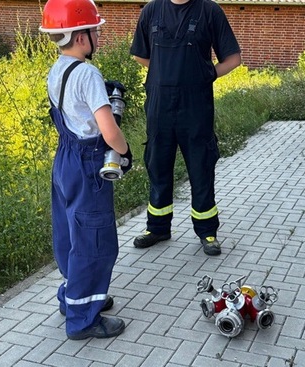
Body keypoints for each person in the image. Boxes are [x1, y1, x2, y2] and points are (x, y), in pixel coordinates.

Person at [40, 0, 133, 340]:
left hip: (65, 159)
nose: (98, 36)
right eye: (95, 30)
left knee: (71, 233)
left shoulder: (57, 69)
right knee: (95, 241)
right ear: (80, 37)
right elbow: (109, 131)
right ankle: (83, 319)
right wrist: (124, 152)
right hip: (88, 162)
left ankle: (74, 296)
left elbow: (74, 112)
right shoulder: (88, 74)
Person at [130, 0, 241, 256]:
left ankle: (207, 231)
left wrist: (205, 74)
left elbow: (233, 59)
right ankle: (157, 228)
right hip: (159, 107)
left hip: (195, 107)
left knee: (201, 168)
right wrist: (166, 73)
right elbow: (140, 54)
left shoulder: (209, 11)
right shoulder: (151, 11)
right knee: (158, 167)